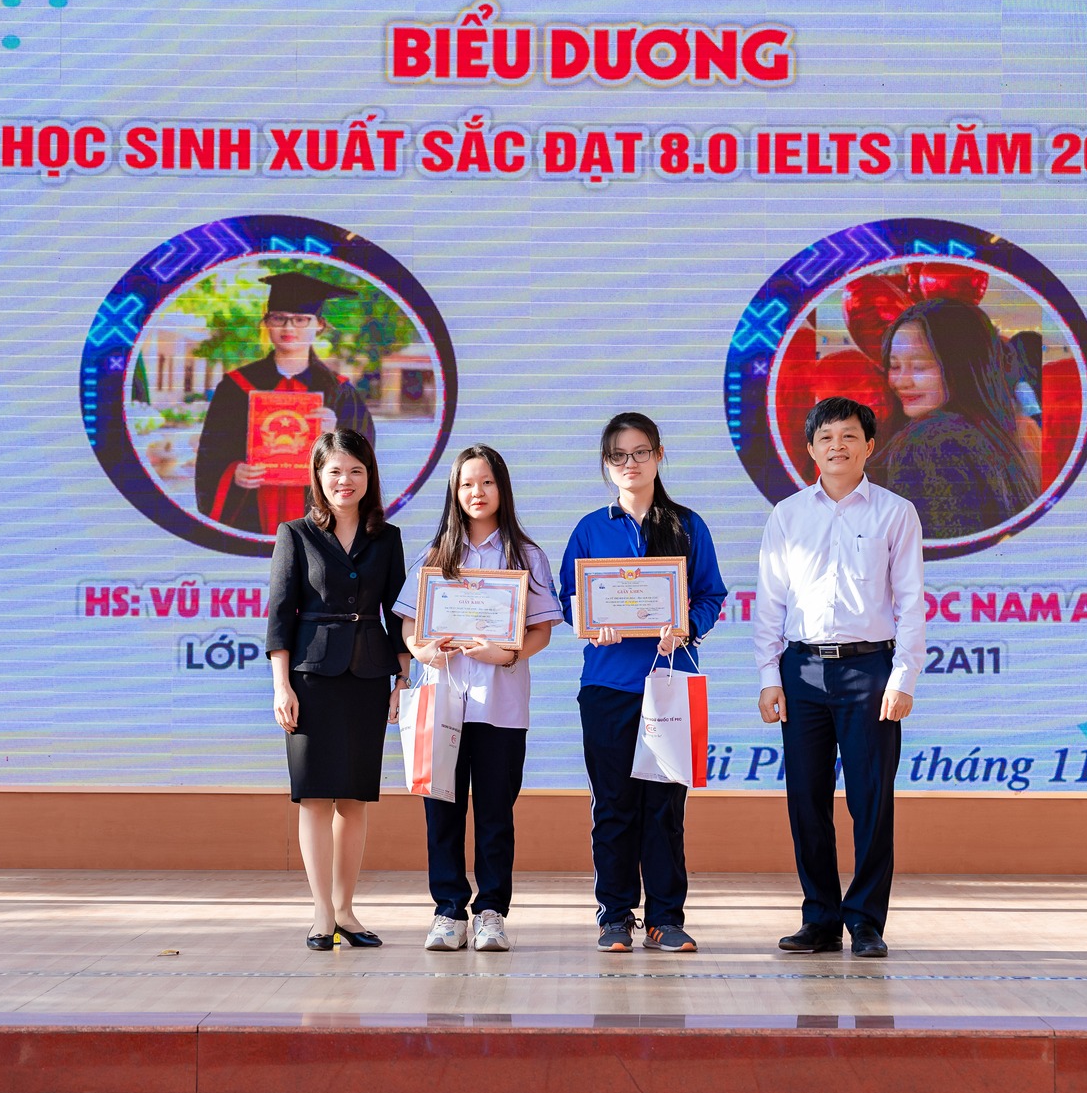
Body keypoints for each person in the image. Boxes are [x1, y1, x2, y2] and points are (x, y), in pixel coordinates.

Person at [755, 395, 924, 960]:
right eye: (826, 437)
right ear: (810, 448)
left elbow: (911, 602)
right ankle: (821, 919)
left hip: (869, 670)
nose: (837, 446)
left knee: (871, 800)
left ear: (869, 446)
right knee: (806, 799)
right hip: (801, 669)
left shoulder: (895, 513)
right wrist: (768, 675)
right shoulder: (787, 516)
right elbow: (770, 602)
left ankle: (867, 921)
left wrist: (903, 677)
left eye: (849, 436)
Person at [559, 412, 727, 953]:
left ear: (659, 454)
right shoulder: (590, 528)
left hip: (670, 684)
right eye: (618, 455)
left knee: (665, 809)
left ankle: (665, 918)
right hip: (607, 686)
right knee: (612, 806)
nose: (629, 463)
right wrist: (592, 623)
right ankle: (614, 916)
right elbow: (570, 598)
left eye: (639, 452)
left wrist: (687, 626)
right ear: (606, 465)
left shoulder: (687, 525)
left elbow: (711, 595)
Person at [392, 445, 561, 953]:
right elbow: (408, 625)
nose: (477, 492)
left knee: (494, 816)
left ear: (502, 488)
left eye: (486, 482)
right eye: (467, 484)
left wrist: (505, 653)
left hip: (500, 707)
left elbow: (541, 631)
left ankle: (491, 912)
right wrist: (424, 650)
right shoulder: (434, 556)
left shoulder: (526, 556)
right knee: (441, 814)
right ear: (454, 491)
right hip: (441, 702)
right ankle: (448, 911)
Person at [265, 427, 407, 951]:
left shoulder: (387, 538)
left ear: (369, 477)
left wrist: (403, 679)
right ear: (318, 478)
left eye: (355, 471)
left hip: (368, 677)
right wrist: (281, 686)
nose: (345, 480)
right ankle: (321, 912)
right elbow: (280, 615)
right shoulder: (295, 533)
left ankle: (347, 910)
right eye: (335, 472)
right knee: (314, 797)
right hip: (309, 679)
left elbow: (398, 614)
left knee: (354, 798)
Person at [194, 272, 376, 536]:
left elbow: (365, 460)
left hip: (319, 516)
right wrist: (233, 472)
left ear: (319, 325)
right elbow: (211, 454)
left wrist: (337, 436)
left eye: (301, 319)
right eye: (279, 318)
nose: (288, 328)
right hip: (249, 514)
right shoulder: (235, 387)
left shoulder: (340, 392)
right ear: (266, 322)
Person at [872, 297, 1040, 539]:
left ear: (961, 367)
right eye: (894, 366)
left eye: (919, 366)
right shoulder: (986, 434)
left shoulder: (930, 442)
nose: (900, 381)